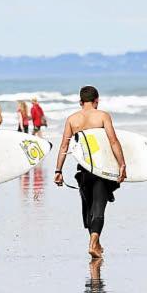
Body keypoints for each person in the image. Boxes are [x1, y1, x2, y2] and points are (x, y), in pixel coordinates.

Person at [54, 86, 125, 259]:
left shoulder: (72, 119)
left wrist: (58, 170)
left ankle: (96, 243)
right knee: (99, 208)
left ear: (80, 101)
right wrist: (122, 164)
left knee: (88, 209)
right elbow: (113, 141)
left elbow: (64, 146)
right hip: (101, 170)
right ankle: (93, 243)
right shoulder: (102, 116)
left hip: (83, 170)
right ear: (97, 100)